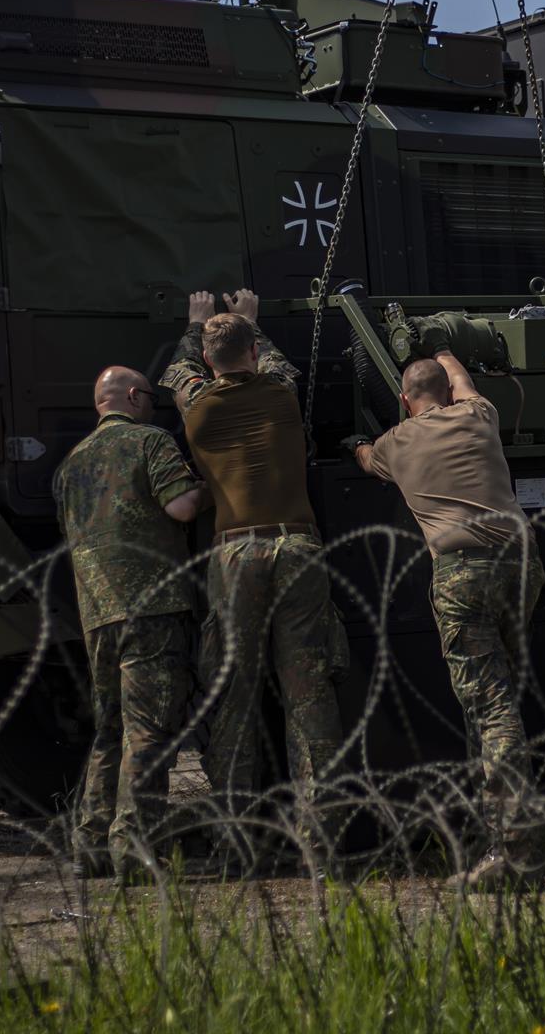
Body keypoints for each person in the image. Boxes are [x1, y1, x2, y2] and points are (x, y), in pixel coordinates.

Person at [347, 347, 545, 889]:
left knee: (491, 706)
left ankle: (516, 850)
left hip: (463, 572)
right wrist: (444, 352)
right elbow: (462, 381)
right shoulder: (479, 415)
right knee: (496, 692)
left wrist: (359, 445)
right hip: (523, 563)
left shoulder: (397, 441)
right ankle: (493, 832)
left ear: (407, 401)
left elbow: (367, 461)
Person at [161, 289, 346, 828]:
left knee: (232, 696)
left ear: (207, 359)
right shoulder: (282, 391)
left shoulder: (194, 400)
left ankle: (235, 836)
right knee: (308, 696)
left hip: (235, 552)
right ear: (251, 352)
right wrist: (249, 320)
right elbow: (269, 359)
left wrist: (196, 324)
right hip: (297, 547)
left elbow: (178, 369)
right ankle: (321, 834)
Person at [53, 365, 207, 879]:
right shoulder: (150, 442)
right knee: (150, 731)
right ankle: (136, 850)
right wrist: (211, 483)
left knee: (109, 730)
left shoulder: (71, 464)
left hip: (97, 614)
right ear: (136, 397)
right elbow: (182, 507)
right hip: (152, 608)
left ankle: (91, 845)